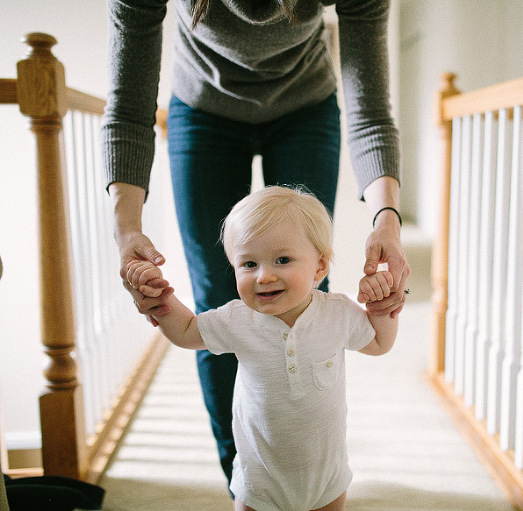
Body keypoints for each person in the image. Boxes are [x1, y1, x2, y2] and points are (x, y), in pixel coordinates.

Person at [102, 0, 410, 486]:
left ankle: (308, 471)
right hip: (202, 105)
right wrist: (126, 230)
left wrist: (386, 219)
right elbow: (127, 106)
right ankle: (244, 478)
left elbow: (370, 110)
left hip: (306, 104)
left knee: (302, 287)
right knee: (220, 298)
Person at [126, 186, 398, 511]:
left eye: (283, 260)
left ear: (320, 267)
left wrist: (382, 310)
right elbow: (186, 331)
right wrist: (162, 299)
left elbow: (380, 343)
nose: (264, 276)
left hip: (326, 479)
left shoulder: (337, 314)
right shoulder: (238, 319)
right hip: (259, 483)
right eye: (249, 263)